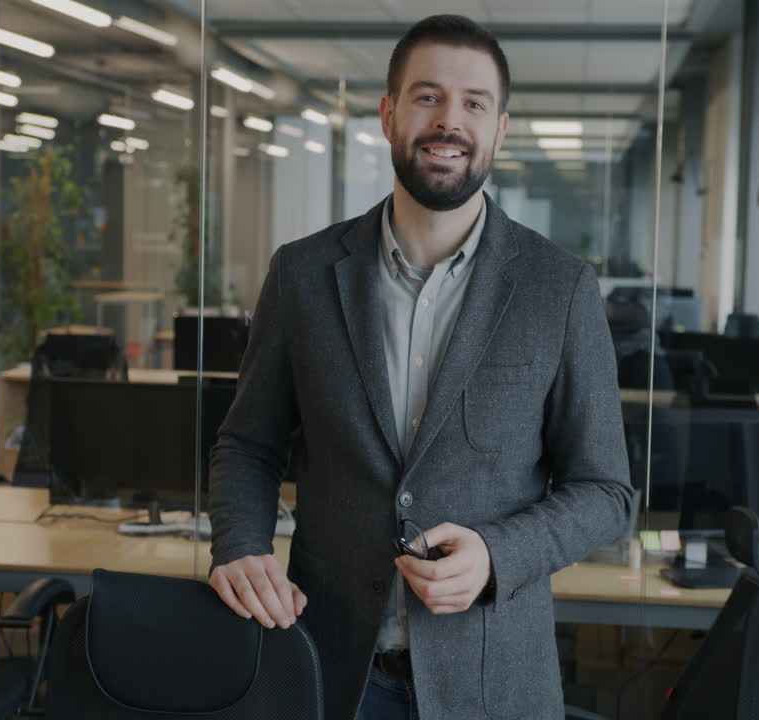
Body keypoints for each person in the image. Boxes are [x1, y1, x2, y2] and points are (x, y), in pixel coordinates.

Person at [208, 14, 633, 720]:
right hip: (327, 669)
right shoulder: (304, 274)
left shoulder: (559, 289)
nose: (449, 121)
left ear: (499, 129)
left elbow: (606, 491)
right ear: (388, 114)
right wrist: (240, 544)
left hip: (493, 681)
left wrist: (498, 555)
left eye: (474, 103)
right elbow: (248, 444)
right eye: (427, 96)